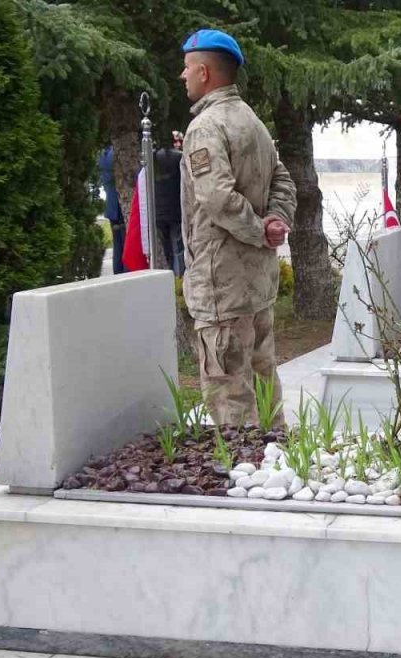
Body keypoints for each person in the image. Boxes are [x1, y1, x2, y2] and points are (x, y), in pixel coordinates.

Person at [178, 28, 296, 426]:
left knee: (230, 387)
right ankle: (276, 461)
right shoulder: (253, 122)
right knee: (263, 378)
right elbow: (283, 180)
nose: (183, 76)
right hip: (256, 282)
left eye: (188, 67)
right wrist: (275, 219)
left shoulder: (206, 127)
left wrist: (260, 228)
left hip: (222, 280)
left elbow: (217, 198)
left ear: (205, 72)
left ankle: (245, 471)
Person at [153, 141, 185, 275]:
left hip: (158, 213)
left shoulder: (152, 159)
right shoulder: (178, 158)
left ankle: (170, 276)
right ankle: (180, 277)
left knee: (166, 250)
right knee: (178, 248)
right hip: (175, 211)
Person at [99, 144, 125, 274]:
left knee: (117, 246)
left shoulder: (102, 154)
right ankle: (126, 272)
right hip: (119, 206)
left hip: (111, 206)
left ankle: (118, 272)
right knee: (124, 244)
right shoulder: (115, 154)